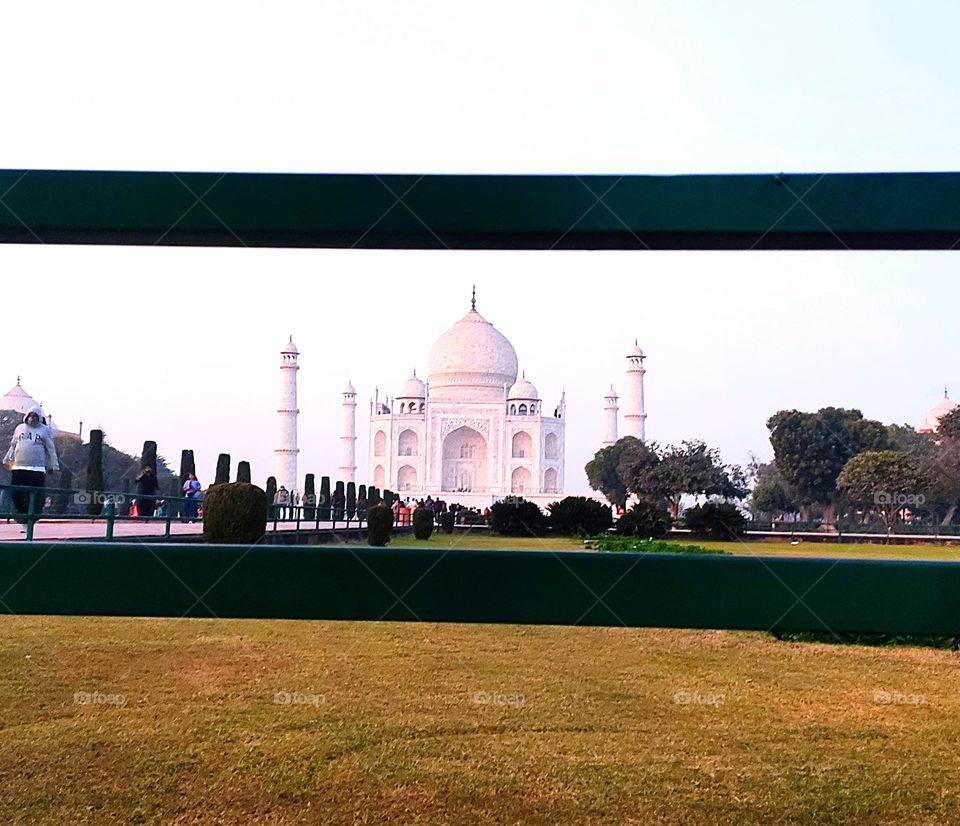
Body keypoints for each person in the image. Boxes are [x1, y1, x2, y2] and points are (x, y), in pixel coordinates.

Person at [3, 405, 59, 521]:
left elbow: (51, 449)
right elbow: (13, 445)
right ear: (27, 416)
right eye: (30, 415)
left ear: (39, 417)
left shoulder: (44, 430)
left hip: (36, 469)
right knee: (17, 494)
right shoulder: (19, 428)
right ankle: (22, 517)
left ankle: (32, 518)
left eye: (35, 416)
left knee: (35, 496)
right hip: (19, 467)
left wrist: (53, 465)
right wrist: (7, 458)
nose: (32, 418)